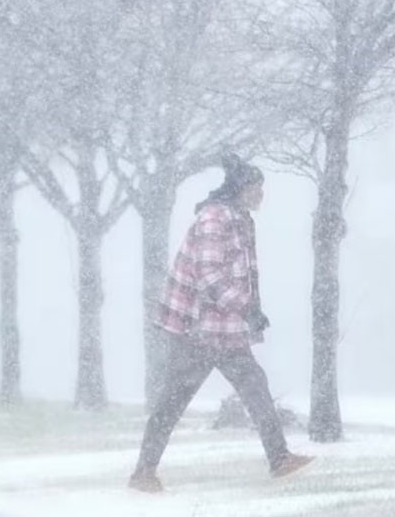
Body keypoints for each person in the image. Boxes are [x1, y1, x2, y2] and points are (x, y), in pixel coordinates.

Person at [129, 154, 313, 493]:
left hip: (222, 329)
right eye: (257, 187)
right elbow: (209, 276)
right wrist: (247, 309)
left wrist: (249, 312)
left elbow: (239, 275)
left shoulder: (239, 219)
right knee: (174, 399)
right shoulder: (215, 219)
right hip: (197, 329)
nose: (262, 195)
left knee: (254, 386)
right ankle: (143, 472)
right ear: (241, 188)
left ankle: (280, 459)